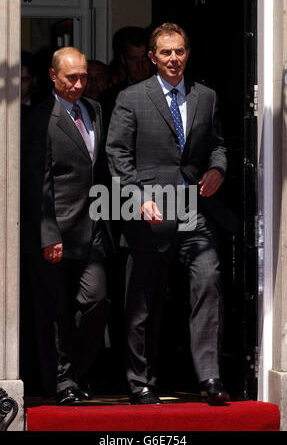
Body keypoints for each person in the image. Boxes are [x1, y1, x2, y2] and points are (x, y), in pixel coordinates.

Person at [106, 22, 237, 405]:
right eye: (165, 52)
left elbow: (216, 145)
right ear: (152, 57)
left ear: (187, 53)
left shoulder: (206, 97)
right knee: (144, 300)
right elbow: (117, 153)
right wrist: (134, 196)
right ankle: (140, 380)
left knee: (209, 280)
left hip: (193, 210)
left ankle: (210, 377)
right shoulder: (132, 98)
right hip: (149, 210)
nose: (173, 59)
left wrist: (218, 169)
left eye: (179, 51)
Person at [21, 46, 113, 405]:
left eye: (83, 76)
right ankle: (62, 383)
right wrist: (49, 234)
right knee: (55, 312)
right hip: (54, 234)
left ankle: (77, 371)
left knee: (96, 303)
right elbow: (36, 181)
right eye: (71, 77)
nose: (79, 84)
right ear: (53, 77)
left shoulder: (95, 110)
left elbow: (100, 170)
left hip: (93, 232)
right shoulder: (39, 119)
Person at [99, 26, 153, 134]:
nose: (140, 66)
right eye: (133, 59)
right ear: (123, 60)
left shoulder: (167, 91)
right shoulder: (109, 99)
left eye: (144, 59)